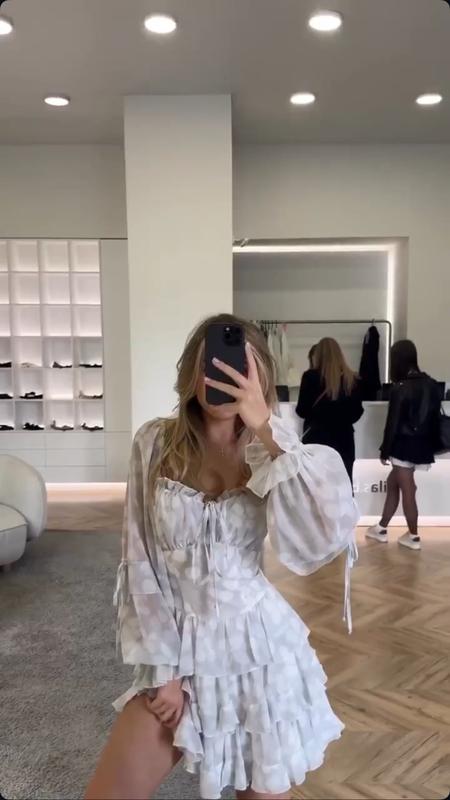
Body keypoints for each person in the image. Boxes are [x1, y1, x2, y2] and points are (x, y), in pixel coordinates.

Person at [84, 314, 358, 800]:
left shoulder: (272, 449)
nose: (224, 374)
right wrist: (164, 671)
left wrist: (266, 428)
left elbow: (323, 535)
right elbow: (140, 560)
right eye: (213, 363)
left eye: (240, 367)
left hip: (259, 655)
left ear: (260, 377)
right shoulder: (154, 442)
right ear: (193, 370)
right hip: (176, 651)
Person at [366, 340, 441, 551]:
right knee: (393, 483)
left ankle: (414, 536)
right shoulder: (432, 384)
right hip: (423, 446)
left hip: (403, 447)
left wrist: (385, 450)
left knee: (408, 490)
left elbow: (392, 424)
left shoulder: (400, 388)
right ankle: (381, 528)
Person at [296, 337, 364, 486]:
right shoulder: (352, 379)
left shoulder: (310, 377)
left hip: (316, 440)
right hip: (344, 440)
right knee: (344, 485)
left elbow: (302, 410)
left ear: (318, 355)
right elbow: (357, 412)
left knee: (316, 487)